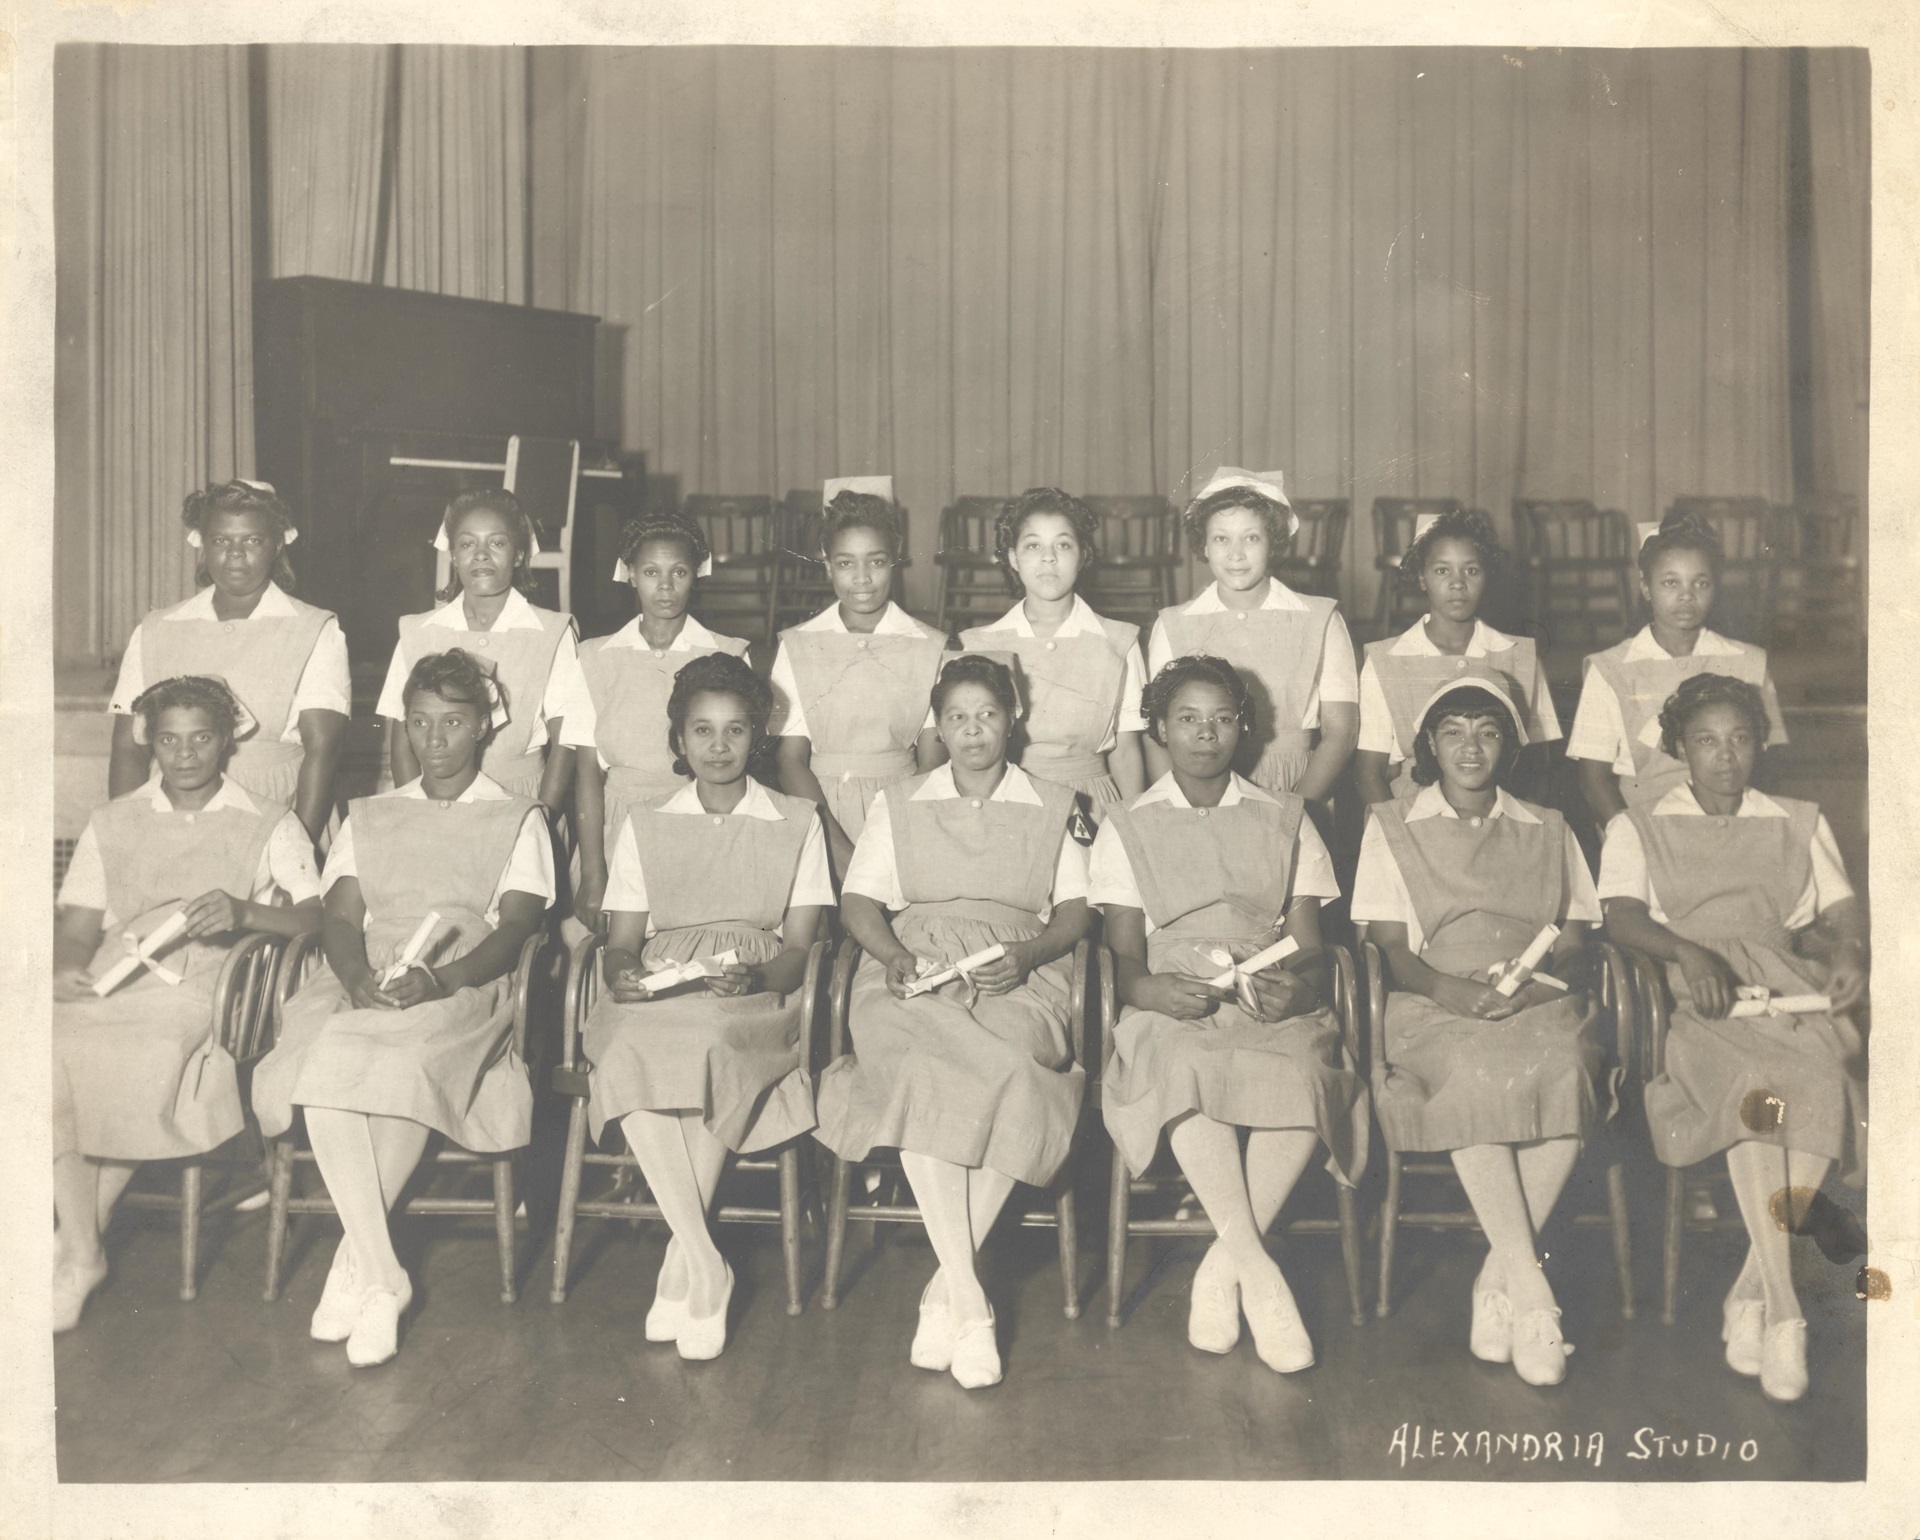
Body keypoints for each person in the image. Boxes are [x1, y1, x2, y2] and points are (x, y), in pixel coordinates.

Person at [253, 650, 554, 1367]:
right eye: (420, 723)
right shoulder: (372, 813)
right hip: (366, 971)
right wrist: (355, 977)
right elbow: (340, 917)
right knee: (323, 1058)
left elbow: (516, 929)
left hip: (461, 979)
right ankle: (385, 1278)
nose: (436, 739)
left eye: (453, 722)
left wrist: (443, 981)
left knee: (405, 1063)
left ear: (484, 726)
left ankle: (356, 1266)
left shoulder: (518, 818)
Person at [813, 654, 1092, 1389]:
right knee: (915, 1065)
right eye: (958, 717)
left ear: (1014, 718)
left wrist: (1030, 955)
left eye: (988, 714)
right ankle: (971, 1300)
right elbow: (859, 903)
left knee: (1017, 1071)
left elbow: (1074, 912)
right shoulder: (901, 801)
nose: (973, 731)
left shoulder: (1056, 802)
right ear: (937, 726)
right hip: (918, 961)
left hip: (1014, 965)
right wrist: (893, 954)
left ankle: (947, 1291)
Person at [1600, 672, 1867, 1404]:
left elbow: (1841, 913)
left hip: (1789, 990)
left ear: (1759, 745)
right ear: (1679, 747)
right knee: (1756, 1091)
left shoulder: (1797, 820)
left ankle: (1755, 1294)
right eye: (1707, 741)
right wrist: (1686, 952)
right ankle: (1785, 1314)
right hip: (1699, 1003)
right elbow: (1621, 916)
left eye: (1740, 739)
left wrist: (1846, 955)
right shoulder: (1639, 822)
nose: (1725, 757)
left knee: (1817, 1074)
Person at [1093, 656, 1366, 1372]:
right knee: (1182, 1063)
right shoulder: (1128, 823)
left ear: (1243, 728)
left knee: (1305, 1065)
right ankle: (1262, 1276)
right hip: (1173, 993)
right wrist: (1150, 991)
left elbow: (1310, 949)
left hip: (1264, 983)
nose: (1205, 733)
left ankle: (1224, 1269)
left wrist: (1301, 991)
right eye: (1187, 718)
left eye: (1221, 718)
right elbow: (1122, 959)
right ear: (1158, 728)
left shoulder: (1287, 816)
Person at [1351, 679, 1607, 1387]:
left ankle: (1500, 1282)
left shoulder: (1548, 824)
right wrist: (1452, 991)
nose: (1471, 747)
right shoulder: (1392, 824)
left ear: (1510, 746)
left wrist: (1534, 983)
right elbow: (1391, 948)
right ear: (1428, 745)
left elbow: (1579, 934)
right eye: (1454, 731)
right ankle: (1534, 1296)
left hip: (1533, 997)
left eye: (1488, 731)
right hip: (1434, 1002)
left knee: (1568, 1066)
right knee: (1471, 1073)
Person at [581, 653, 833, 1359]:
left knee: (715, 1043)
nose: (718, 747)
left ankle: (681, 1263)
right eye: (702, 731)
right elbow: (622, 943)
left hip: (753, 990)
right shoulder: (646, 819)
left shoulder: (796, 819)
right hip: (666, 981)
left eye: (733, 731)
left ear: (757, 737)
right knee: (627, 1040)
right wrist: (625, 972)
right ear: (679, 738)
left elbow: (800, 948)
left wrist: (756, 977)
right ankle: (704, 1261)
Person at [54, 676, 323, 1331]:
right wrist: (64, 966)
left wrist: (244, 911)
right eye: (169, 738)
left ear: (225, 739)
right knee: (44, 1051)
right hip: (113, 974)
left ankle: (74, 1247)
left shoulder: (267, 820)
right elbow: (82, 922)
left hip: (206, 983)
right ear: (149, 740)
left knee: (138, 1056)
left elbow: (318, 920)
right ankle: (83, 1249)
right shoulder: (114, 819)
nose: (184, 754)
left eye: (200, 737)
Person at [109, 479, 348, 843]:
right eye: (221, 540)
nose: (236, 554)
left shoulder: (315, 630)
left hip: (277, 816)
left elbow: (323, 751)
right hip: (171, 821)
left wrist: (295, 855)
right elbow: (128, 747)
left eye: (252, 540)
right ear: (203, 544)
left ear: (278, 543)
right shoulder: (156, 630)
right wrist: (129, 840)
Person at [568, 511, 751, 928]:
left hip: (701, 822)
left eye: (679, 572)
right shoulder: (595, 658)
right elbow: (587, 776)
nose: (665, 586)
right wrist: (594, 873)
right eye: (651, 571)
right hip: (616, 830)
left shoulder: (728, 653)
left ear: (696, 575)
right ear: (630, 574)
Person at [772, 476, 950, 879]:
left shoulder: (929, 646)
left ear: (896, 556)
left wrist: (889, 844)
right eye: (846, 563)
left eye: (876, 561)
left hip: (902, 813)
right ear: (826, 560)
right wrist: (839, 851)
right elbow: (790, 761)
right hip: (818, 815)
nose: (862, 578)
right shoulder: (797, 646)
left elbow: (932, 761)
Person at [1146, 467, 1358, 802]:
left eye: (1251, 537)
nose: (1236, 554)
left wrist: (1296, 813)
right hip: (1198, 794)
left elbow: (1341, 734)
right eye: (1221, 538)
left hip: (1299, 788)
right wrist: (1177, 810)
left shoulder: (1322, 619)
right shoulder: (1172, 625)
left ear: (1273, 542)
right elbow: (1156, 736)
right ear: (1203, 544)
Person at [376, 488, 590, 809]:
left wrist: (540, 817)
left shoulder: (552, 633)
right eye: (467, 543)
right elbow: (401, 742)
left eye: (497, 542)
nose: (481, 554)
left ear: (518, 554)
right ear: (453, 555)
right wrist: (419, 815)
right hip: (436, 802)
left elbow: (566, 744)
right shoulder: (417, 632)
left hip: (521, 800)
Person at [1571, 511, 1786, 823]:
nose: (1686, 596)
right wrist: (1631, 843)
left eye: (1700, 583)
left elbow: (1771, 766)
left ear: (1716, 586)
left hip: (1735, 827)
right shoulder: (1610, 669)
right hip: (1648, 829)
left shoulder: (1750, 662)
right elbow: (1593, 782)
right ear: (1646, 588)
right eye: (1670, 582)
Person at [958, 487, 1146, 822]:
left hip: (1094, 808)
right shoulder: (978, 646)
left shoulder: (1119, 642)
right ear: (1013, 558)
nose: (1049, 557)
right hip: (1006, 806)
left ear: (1083, 555)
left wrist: (1133, 832)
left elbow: (1127, 751)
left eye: (1063, 544)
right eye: (1033, 545)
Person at [1354, 508, 1560, 804]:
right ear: (1422, 578)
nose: (1457, 583)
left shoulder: (1521, 657)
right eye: (1442, 570)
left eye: (1471, 570)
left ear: (1487, 577)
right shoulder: (1385, 660)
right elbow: (1369, 773)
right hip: (1412, 821)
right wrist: (1398, 839)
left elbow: (1540, 768)